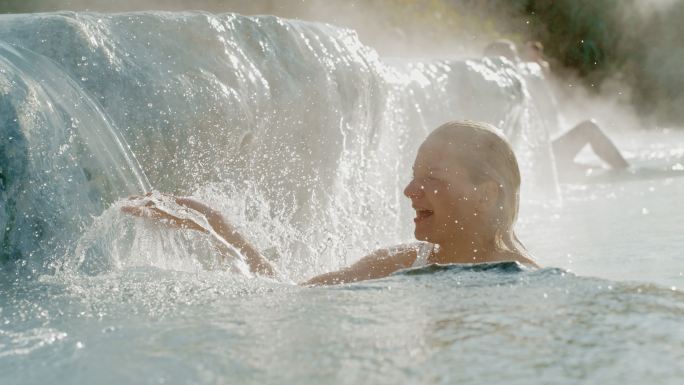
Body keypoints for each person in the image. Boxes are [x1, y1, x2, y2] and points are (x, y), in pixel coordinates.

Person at [122, 120, 537, 285]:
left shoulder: (526, 285)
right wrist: (213, 226)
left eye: (433, 177)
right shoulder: (399, 264)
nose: (411, 191)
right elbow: (288, 299)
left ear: (487, 192)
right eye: (413, 176)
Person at [483, 40, 629, 177]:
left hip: (533, 159)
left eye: (516, 56)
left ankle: (622, 170)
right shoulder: (503, 93)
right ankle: (627, 172)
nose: (518, 60)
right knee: (588, 129)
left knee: (589, 169)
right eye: (513, 57)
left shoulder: (498, 90)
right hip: (533, 162)